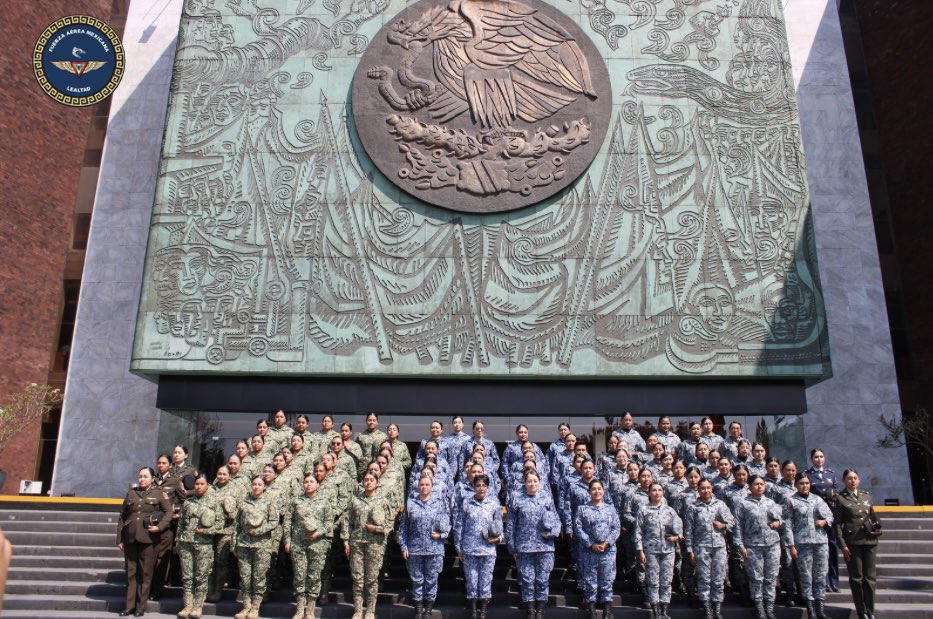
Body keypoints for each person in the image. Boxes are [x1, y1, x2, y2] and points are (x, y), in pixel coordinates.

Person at [117, 466, 173, 617]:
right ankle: (129, 606)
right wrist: (119, 538)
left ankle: (140, 607)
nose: (142, 479)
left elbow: (169, 512)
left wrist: (160, 527)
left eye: (145, 476)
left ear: (153, 478)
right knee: (131, 573)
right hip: (130, 538)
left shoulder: (159, 493)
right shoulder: (131, 493)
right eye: (140, 476)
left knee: (145, 574)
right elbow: (123, 516)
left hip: (149, 539)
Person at [507, 470, 561, 619]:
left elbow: (556, 522)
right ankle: (530, 611)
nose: (532, 484)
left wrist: (550, 534)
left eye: (535, 481)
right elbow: (511, 524)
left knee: (542, 579)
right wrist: (512, 547)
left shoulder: (547, 499)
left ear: (540, 482)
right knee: (527, 580)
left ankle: (540, 611)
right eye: (529, 481)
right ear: (524, 483)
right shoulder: (517, 499)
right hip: (524, 547)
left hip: (545, 547)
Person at [399, 474, 451, 619]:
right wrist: (404, 547)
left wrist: (440, 536)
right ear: (417, 486)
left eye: (427, 485)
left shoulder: (439, 504)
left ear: (432, 487)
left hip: (434, 549)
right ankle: (418, 610)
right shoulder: (410, 504)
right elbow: (403, 528)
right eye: (421, 484)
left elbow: (447, 527)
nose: (424, 487)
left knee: (431, 580)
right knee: (417, 580)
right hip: (415, 549)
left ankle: (428, 610)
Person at [783, 473, 834, 619]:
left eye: (807, 483)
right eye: (801, 483)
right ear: (796, 485)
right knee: (806, 576)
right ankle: (811, 610)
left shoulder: (817, 499)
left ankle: (821, 609)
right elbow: (787, 525)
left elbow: (830, 515)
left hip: (820, 542)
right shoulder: (790, 501)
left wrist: (824, 522)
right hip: (802, 543)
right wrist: (791, 545)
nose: (805, 486)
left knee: (820, 575)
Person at [284, 472, 334, 619]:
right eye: (306, 482)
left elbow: (329, 522)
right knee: (299, 576)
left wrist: (319, 532)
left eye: (312, 482)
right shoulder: (296, 501)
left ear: (317, 484)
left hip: (317, 544)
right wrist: (287, 540)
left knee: (314, 576)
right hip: (299, 544)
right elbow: (288, 522)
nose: (308, 484)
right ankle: (299, 609)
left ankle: (310, 610)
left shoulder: (325, 501)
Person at [733, 475, 783, 619]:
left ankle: (770, 608)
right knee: (756, 578)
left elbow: (782, 519)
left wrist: (779, 522)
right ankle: (760, 608)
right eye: (756, 484)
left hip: (772, 545)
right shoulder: (742, 504)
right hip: (752, 546)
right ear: (749, 486)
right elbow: (738, 528)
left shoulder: (771, 503)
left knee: (771, 577)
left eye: (762, 484)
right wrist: (741, 547)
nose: (759, 487)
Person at [345, 471, 394, 619]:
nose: (368, 482)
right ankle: (358, 610)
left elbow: (389, 525)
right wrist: (346, 541)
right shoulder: (355, 500)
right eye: (365, 480)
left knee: (372, 579)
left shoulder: (383, 501)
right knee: (358, 578)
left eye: (371, 480)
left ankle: (370, 611)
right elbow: (348, 522)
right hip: (357, 543)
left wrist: (377, 529)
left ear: (377, 483)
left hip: (375, 544)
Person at [834, 469, 882, 619]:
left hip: (869, 540)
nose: (852, 481)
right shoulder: (840, 499)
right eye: (849, 478)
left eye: (855, 478)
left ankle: (870, 610)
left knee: (870, 578)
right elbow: (837, 524)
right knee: (857, 578)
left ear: (859, 480)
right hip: (853, 542)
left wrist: (878, 528)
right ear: (844, 481)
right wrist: (842, 545)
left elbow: (873, 516)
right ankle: (861, 611)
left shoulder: (866, 496)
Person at [685, 478, 734, 619]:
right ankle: (707, 609)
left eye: (708, 488)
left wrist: (723, 525)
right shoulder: (692, 507)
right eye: (702, 488)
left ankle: (717, 610)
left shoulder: (720, 505)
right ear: (698, 490)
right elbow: (688, 531)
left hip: (719, 547)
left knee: (718, 579)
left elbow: (732, 522)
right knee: (704, 579)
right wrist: (690, 550)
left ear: (711, 488)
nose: (706, 491)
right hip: (701, 548)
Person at [455, 474, 502, 619]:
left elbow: (499, 525)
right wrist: (459, 547)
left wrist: (499, 538)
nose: (481, 488)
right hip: (470, 549)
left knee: (486, 581)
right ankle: (474, 612)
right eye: (478, 485)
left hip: (488, 549)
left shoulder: (494, 503)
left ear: (488, 487)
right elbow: (459, 525)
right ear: (474, 487)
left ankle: (483, 612)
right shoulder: (467, 503)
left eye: (483, 485)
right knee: (472, 581)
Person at [232, 476, 280, 619]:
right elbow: (236, 525)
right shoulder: (244, 503)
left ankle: (255, 608)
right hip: (244, 544)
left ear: (264, 487)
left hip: (262, 545)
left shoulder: (269, 502)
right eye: (254, 484)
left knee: (259, 577)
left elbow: (274, 522)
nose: (256, 487)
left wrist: (258, 531)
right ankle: (246, 606)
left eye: (259, 484)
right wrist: (234, 543)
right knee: (245, 577)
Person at [635, 482, 683, 619]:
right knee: (653, 581)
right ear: (649, 493)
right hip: (651, 550)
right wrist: (640, 550)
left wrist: (676, 537)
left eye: (659, 490)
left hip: (668, 550)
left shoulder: (670, 511)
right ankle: (656, 611)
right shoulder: (643, 510)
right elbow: (638, 532)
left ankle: (664, 610)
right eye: (654, 490)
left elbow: (679, 529)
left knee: (666, 581)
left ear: (663, 493)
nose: (657, 493)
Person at [176, 474, 221, 619]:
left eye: (202, 484)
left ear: (207, 485)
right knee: (187, 577)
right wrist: (178, 541)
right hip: (186, 543)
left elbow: (220, 524)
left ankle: (197, 606)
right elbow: (181, 524)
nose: (199, 486)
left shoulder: (214, 502)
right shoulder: (188, 503)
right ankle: (187, 605)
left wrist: (206, 531)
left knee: (201, 577)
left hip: (204, 544)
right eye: (196, 484)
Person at [574, 478, 620, 619]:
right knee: (590, 580)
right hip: (589, 550)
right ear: (589, 492)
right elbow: (578, 528)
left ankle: (607, 609)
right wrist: (591, 544)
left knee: (607, 579)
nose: (597, 491)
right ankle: (591, 609)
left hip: (608, 550)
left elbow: (616, 528)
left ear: (603, 491)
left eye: (599, 489)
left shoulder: (610, 509)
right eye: (593, 489)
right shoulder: (582, 509)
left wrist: (607, 543)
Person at [805, 448, 840, 593]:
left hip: (830, 516)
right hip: (816, 517)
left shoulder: (830, 475)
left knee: (832, 548)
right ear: (811, 459)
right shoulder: (808, 475)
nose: (819, 459)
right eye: (816, 457)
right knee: (819, 551)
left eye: (821, 456)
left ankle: (834, 580)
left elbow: (835, 495)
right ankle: (823, 580)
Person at [151, 454, 185, 601]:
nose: (160, 465)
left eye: (164, 463)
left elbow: (185, 501)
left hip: (167, 526)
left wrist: (177, 513)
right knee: (150, 558)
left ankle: (157, 590)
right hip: (151, 524)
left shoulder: (175, 480)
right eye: (159, 463)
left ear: (170, 465)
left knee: (162, 559)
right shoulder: (152, 479)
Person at [208, 464, 242, 602]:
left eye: (224, 474)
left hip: (226, 530)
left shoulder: (236, 490)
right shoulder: (211, 490)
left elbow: (240, 510)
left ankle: (218, 590)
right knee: (209, 562)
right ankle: (208, 589)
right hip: (210, 530)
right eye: (219, 474)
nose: (221, 476)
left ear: (229, 475)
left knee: (221, 561)